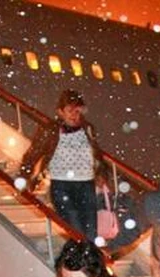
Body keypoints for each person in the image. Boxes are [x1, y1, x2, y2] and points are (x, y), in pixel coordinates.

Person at [19, 90, 102, 241]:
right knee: (75, 229)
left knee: (91, 232)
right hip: (62, 186)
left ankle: (84, 254)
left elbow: (97, 155)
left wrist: (101, 175)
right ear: (60, 112)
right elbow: (33, 153)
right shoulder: (51, 130)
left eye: (78, 111)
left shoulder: (87, 129)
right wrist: (24, 177)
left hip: (86, 185)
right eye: (70, 110)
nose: (74, 115)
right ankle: (81, 253)